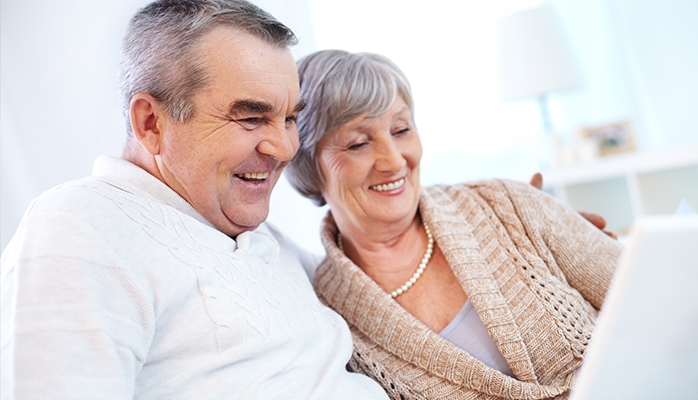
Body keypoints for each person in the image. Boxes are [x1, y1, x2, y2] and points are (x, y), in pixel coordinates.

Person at [0, 2, 389, 399]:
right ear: (151, 122)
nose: (286, 148)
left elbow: (378, 292)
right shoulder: (82, 224)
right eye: (251, 118)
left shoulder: (262, 238)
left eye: (289, 118)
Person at [285, 50, 623, 399]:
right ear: (308, 164)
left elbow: (653, 295)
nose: (394, 160)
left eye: (401, 130)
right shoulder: (324, 319)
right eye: (358, 143)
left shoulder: (506, 204)